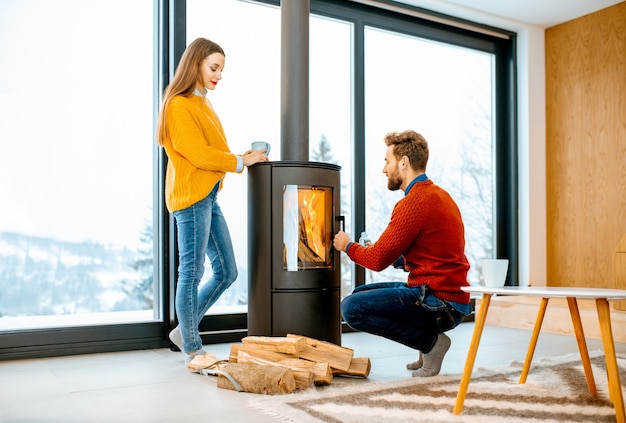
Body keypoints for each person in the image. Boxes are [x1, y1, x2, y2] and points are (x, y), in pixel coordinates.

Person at [156, 38, 269, 364]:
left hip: (207, 195)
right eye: (214, 68)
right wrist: (240, 162)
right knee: (191, 272)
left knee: (227, 271)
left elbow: (209, 151)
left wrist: (240, 158)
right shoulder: (178, 105)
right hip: (190, 197)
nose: (219, 75)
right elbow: (198, 153)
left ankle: (184, 331)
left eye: (221, 69)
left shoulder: (202, 103)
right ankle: (193, 349)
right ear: (196, 64)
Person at [333, 129, 471, 377]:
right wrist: (390, 253)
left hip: (440, 303)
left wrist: (347, 246)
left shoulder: (413, 202)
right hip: (451, 297)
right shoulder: (439, 195)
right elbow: (430, 254)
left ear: (404, 162)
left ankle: (431, 343)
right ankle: (425, 347)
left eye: (387, 161)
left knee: (351, 308)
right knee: (362, 292)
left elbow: (375, 261)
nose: (384, 169)